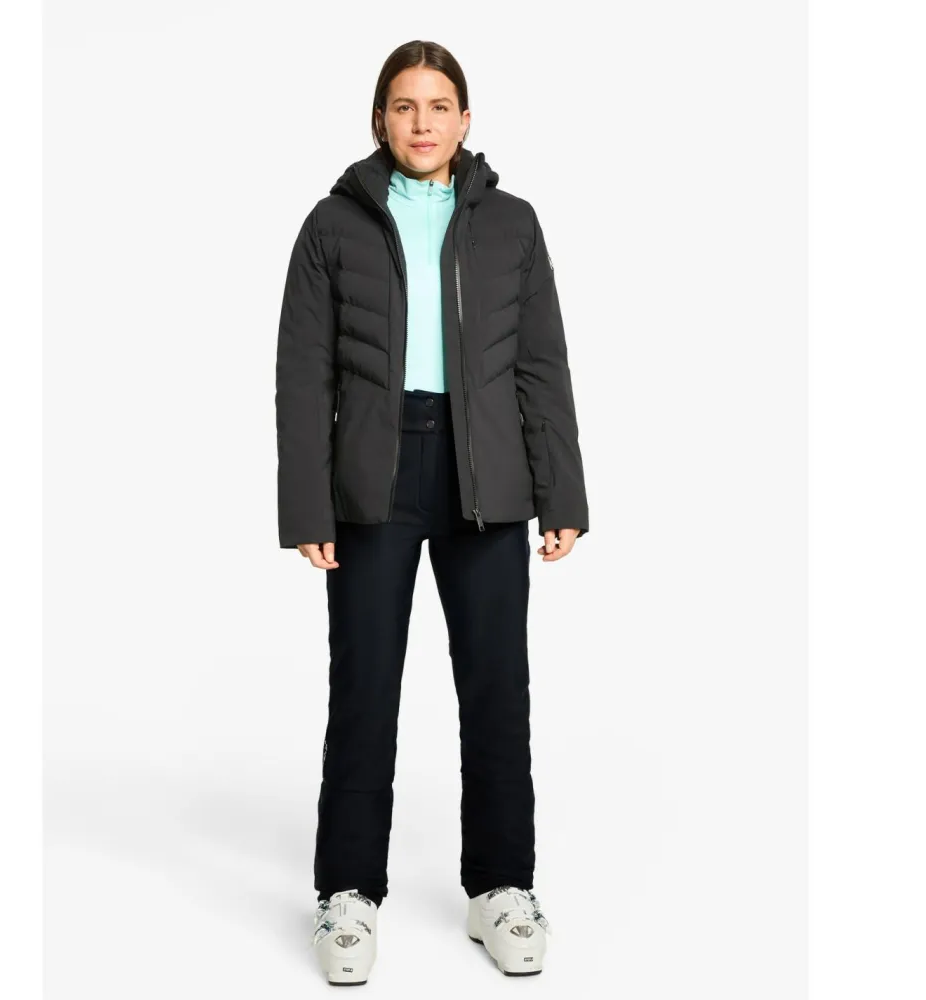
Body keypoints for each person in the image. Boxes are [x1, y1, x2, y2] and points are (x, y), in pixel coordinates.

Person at [275, 39, 588, 985]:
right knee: (364, 687)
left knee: (497, 687)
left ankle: (502, 888)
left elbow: (541, 365)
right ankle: (347, 894)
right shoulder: (333, 224)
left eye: (439, 105)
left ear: (465, 119)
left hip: (486, 474)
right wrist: (307, 505)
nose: (422, 122)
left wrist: (561, 494)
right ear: (380, 118)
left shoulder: (512, 224)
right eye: (405, 106)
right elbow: (302, 376)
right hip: (373, 473)